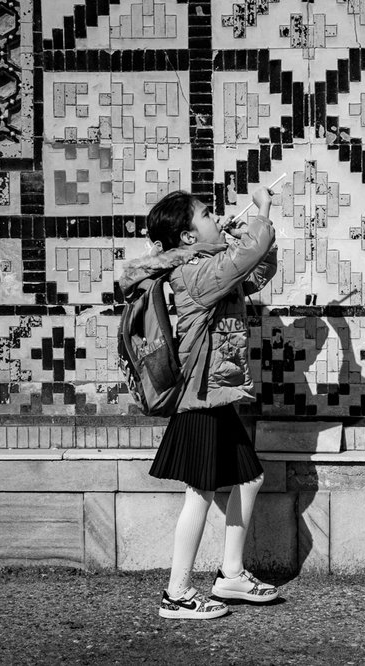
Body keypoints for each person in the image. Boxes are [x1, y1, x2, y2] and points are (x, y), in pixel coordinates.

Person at [118, 187, 279, 620]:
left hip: (217, 393)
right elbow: (245, 259)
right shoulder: (195, 274)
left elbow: (257, 271)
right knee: (200, 493)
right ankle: (177, 594)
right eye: (207, 215)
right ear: (188, 238)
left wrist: (251, 234)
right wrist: (261, 214)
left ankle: (229, 575)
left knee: (248, 479)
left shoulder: (208, 265)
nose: (216, 217)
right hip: (200, 396)